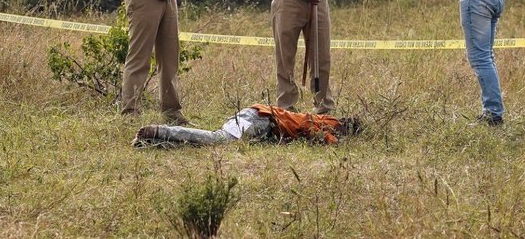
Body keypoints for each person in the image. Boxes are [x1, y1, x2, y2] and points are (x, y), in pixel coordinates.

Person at [131, 104, 361, 148]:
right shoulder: (329, 123)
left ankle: (150, 143)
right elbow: (327, 139)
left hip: (258, 121)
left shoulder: (323, 121)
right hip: (259, 119)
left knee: (213, 146)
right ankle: (159, 131)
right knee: (218, 139)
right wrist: (336, 142)